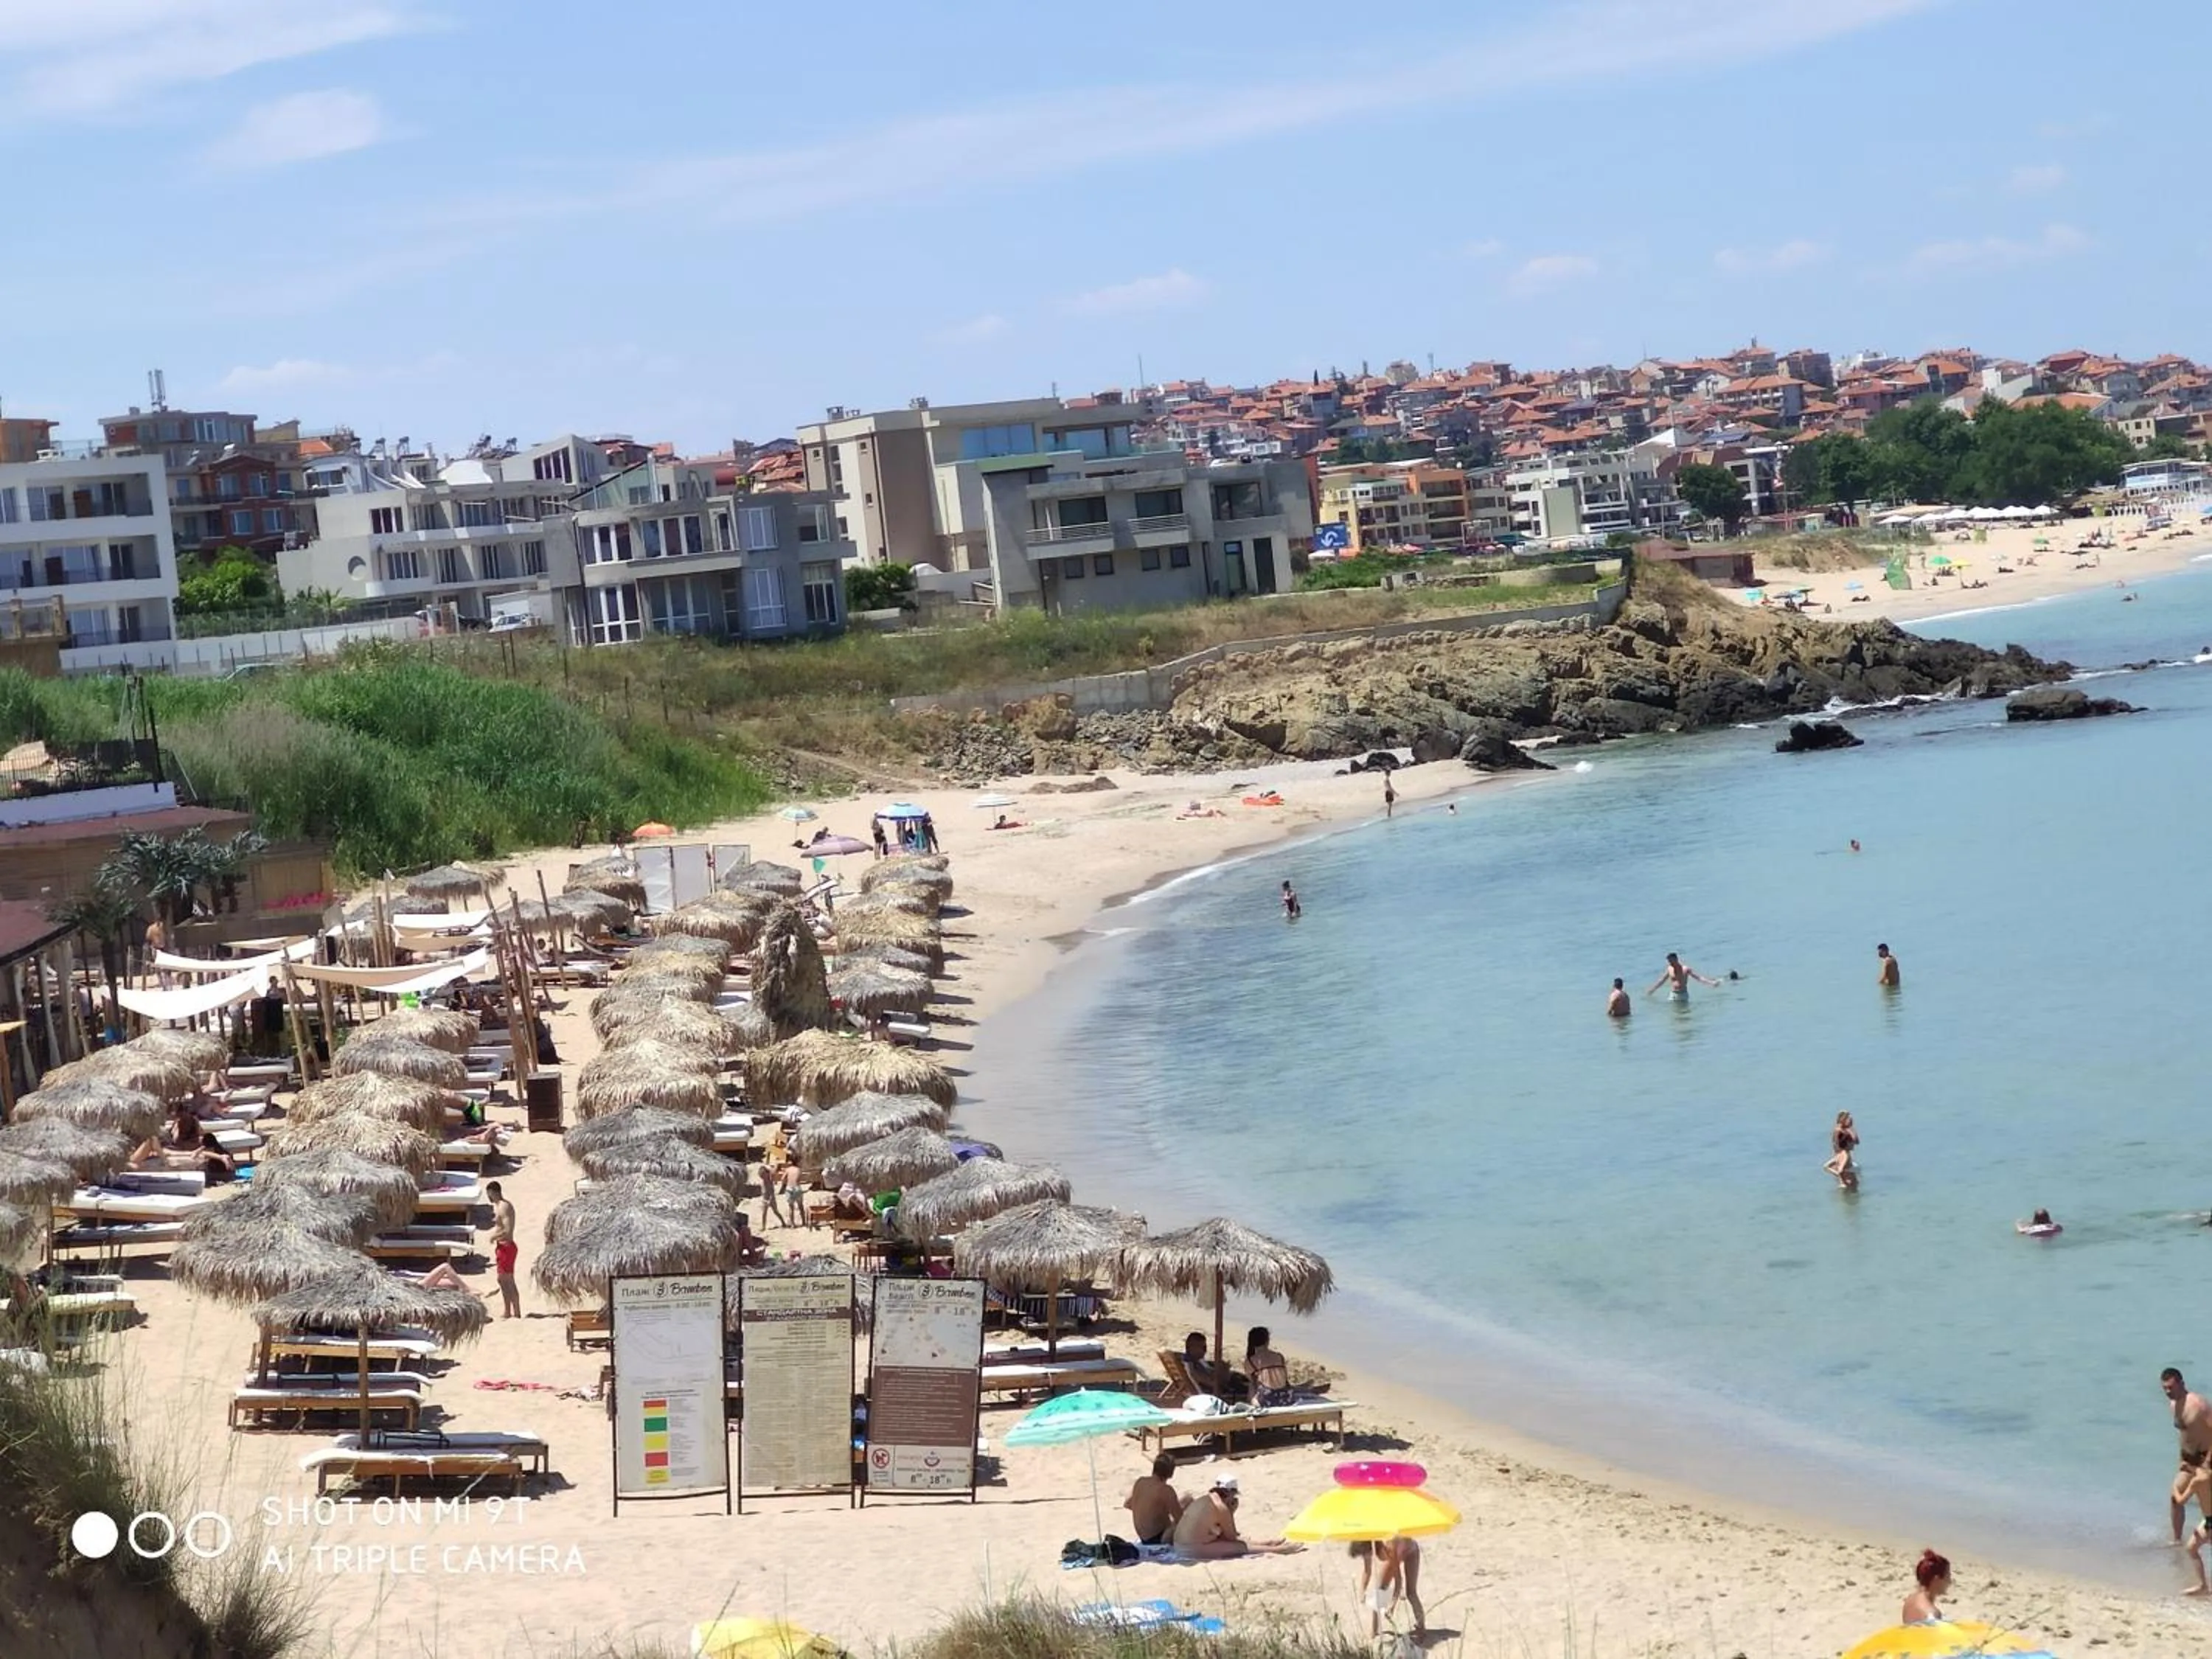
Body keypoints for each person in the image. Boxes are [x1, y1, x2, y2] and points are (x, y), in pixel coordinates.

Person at [1169, 1477, 1302, 1558]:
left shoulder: (1207, 1498)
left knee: (1234, 1542)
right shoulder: (1221, 1507)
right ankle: (1278, 1550)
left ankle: (1266, 1543)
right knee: (1237, 1547)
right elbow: (1231, 1537)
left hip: (1181, 1543)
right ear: (1231, 1494)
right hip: (1190, 1549)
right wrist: (1231, 1511)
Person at [2166, 1368, 2212, 1544]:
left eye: (2171, 1387)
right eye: (2165, 1388)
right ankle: (2177, 1541)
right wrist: (2182, 1459)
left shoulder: (2199, 1405)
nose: (2168, 1392)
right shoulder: (2173, 1405)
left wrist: (2207, 1463)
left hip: (2207, 1460)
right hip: (2189, 1461)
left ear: (2182, 1384)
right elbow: (2185, 1434)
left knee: (2207, 1507)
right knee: (2175, 1497)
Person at [1352, 1537, 1425, 1638]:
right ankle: (1374, 1631)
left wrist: (1392, 1605)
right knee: (1379, 1591)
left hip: (1411, 1551)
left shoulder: (1390, 1549)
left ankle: (1421, 1626)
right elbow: (1367, 1571)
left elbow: (1399, 1582)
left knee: (1411, 1593)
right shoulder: (1369, 1545)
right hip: (1397, 1551)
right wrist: (1362, 1591)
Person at [1123, 1453, 1185, 1546]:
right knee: (1188, 1509)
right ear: (1171, 1473)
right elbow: (1180, 1519)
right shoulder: (1166, 1490)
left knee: (1186, 1499)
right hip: (1159, 1539)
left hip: (1143, 1537)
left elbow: (1127, 1504)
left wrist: (1150, 1511)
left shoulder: (1141, 1482)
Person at [485, 1180, 520, 1319]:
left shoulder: (504, 1207)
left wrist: (494, 1237)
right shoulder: (498, 1206)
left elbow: (508, 1229)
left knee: (508, 1279)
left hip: (507, 1247)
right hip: (502, 1247)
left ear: (494, 1192)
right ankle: (508, 1311)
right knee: (502, 1280)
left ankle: (516, 1312)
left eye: (490, 1194)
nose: (489, 1197)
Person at [1182, 1332, 1248, 1401]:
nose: (1205, 1350)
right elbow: (1215, 1384)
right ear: (1192, 1347)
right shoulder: (1192, 1367)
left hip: (1221, 1386)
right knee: (1247, 1386)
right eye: (1203, 1347)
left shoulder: (1195, 1361)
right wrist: (1225, 1372)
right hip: (1218, 1394)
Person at [1245, 1326, 1295, 1407]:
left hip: (1266, 1400)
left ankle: (1254, 1403)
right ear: (1267, 1341)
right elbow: (1285, 1378)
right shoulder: (1279, 1356)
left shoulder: (1251, 1361)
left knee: (1252, 1384)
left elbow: (1251, 1379)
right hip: (1286, 1398)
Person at [1646, 952, 1719, 1001]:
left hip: (1683, 995)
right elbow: (1662, 981)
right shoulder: (1669, 969)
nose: (1670, 963)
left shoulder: (1685, 969)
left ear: (1676, 959)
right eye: (1669, 962)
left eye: (1671, 961)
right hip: (1673, 994)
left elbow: (1698, 978)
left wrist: (1711, 983)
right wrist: (1652, 990)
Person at [1902, 1548, 1950, 1623]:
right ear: (1936, 1580)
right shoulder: (1933, 1614)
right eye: (1948, 1577)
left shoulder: (1909, 1600)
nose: (1949, 1582)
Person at [1824, 1111, 1860, 1192]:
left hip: (1849, 1180)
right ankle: (1843, 1182)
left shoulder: (1840, 1154)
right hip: (1851, 1183)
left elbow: (1826, 1167)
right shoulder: (1845, 1154)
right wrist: (1843, 1181)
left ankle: (1843, 1182)